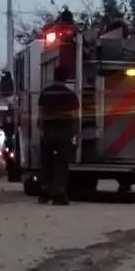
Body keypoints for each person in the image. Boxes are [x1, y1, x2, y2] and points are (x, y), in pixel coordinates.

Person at [38, 65, 80, 205]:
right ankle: (59, 193)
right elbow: (75, 117)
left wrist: (43, 131)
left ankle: (44, 193)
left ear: (54, 76)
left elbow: (40, 116)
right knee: (62, 163)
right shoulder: (70, 95)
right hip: (64, 133)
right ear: (66, 78)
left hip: (49, 132)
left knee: (47, 162)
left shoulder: (45, 93)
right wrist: (75, 134)